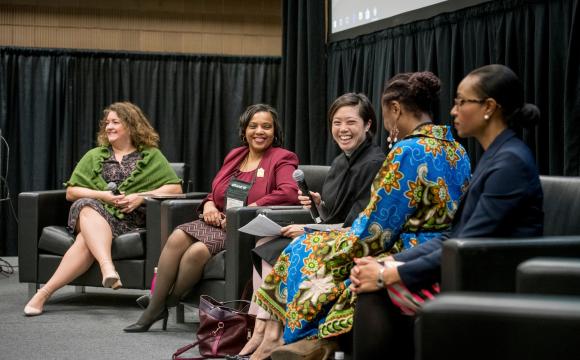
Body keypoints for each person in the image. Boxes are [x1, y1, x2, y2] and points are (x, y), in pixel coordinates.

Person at [250, 72, 472, 360]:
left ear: (395, 109)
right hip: (444, 247)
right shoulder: (457, 150)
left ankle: (306, 338)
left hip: (411, 249)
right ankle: (295, 340)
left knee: (302, 250)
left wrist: (332, 239)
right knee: (308, 245)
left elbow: (376, 231)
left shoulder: (407, 151)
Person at [349, 64, 544, 360]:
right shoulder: (493, 156)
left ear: (489, 107)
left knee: (374, 289)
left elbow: (470, 247)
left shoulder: (509, 164)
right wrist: (390, 262)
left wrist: (388, 274)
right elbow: (456, 238)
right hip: (469, 265)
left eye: (462, 102)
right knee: (370, 275)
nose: (453, 111)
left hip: (490, 281)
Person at [124, 103, 300, 332]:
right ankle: (156, 306)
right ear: (244, 130)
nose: (259, 131)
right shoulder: (236, 155)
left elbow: (288, 191)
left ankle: (163, 305)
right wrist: (208, 205)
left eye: (266, 127)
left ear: (275, 131)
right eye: (253, 126)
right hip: (218, 222)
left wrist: (249, 208)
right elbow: (215, 191)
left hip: (244, 227)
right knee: (178, 236)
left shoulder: (282, 157)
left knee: (197, 251)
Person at [235, 93, 386, 358]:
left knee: (279, 246)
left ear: (368, 124)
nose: (342, 129)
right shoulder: (341, 161)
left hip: (352, 240)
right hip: (333, 232)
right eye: (336, 122)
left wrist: (307, 230)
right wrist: (319, 203)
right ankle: (262, 330)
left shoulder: (374, 163)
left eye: (350, 122)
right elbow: (333, 213)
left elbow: (357, 224)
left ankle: (273, 335)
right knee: (265, 243)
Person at [23, 101, 183, 316]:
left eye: (115, 122)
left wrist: (140, 197)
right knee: (86, 204)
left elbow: (175, 188)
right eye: (107, 123)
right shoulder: (94, 155)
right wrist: (102, 196)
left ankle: (43, 294)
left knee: (84, 241)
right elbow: (71, 192)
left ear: (132, 125)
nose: (108, 127)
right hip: (89, 213)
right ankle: (107, 267)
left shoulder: (151, 155)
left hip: (128, 221)